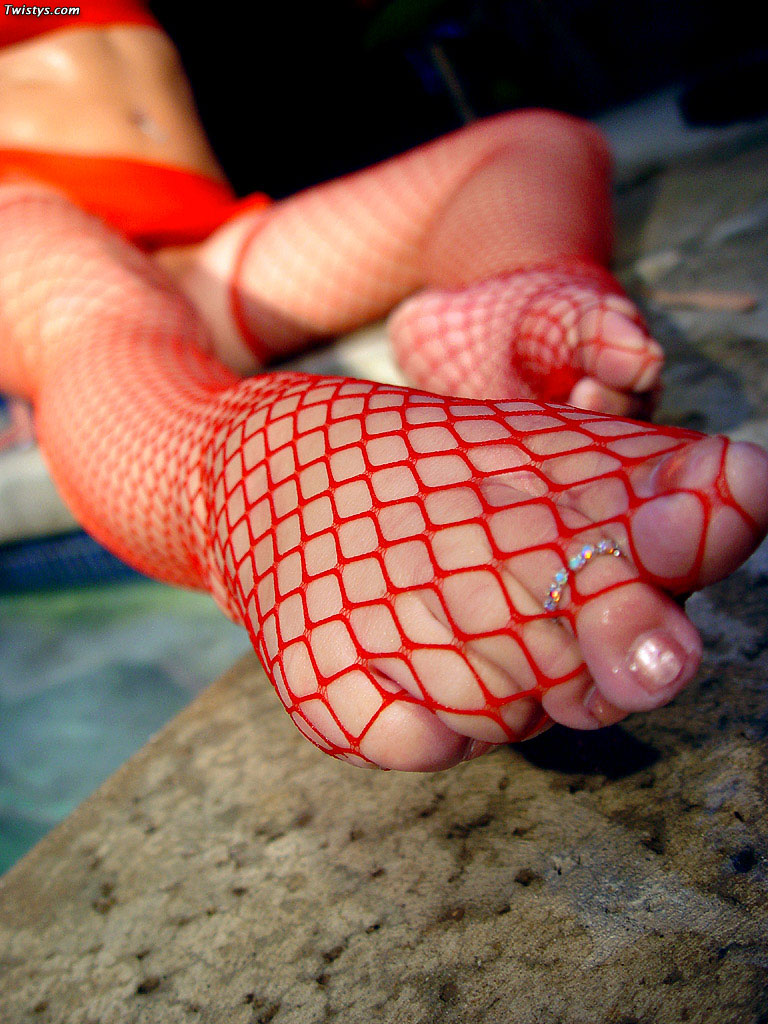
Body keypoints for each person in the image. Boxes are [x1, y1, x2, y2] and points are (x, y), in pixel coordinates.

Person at [0, 2, 765, 771]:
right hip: (29, 220)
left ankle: (490, 311)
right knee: (95, 316)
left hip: (205, 252)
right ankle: (264, 473)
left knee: (536, 143)